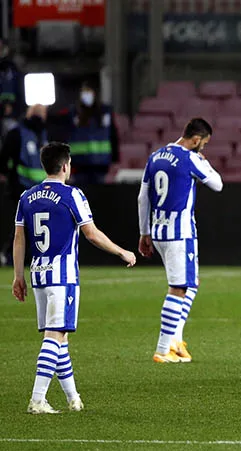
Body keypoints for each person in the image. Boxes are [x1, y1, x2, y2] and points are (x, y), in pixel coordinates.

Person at [12, 142, 136, 414]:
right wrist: (122, 251)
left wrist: (18, 276)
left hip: (38, 276)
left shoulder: (27, 197)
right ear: (66, 166)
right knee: (54, 337)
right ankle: (37, 399)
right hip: (62, 276)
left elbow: (19, 238)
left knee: (60, 339)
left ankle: (73, 398)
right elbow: (91, 233)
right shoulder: (72, 195)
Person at [137, 118, 223, 364]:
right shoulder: (191, 158)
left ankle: (176, 339)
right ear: (196, 140)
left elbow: (143, 198)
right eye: (203, 144)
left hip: (159, 230)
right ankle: (163, 349)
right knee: (178, 288)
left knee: (191, 282)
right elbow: (217, 185)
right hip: (179, 232)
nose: (203, 149)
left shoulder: (155, 157)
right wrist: (205, 164)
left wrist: (144, 232)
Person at [0, 104, 49, 264]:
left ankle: (17, 256)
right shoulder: (18, 133)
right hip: (21, 185)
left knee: (27, 225)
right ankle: (10, 254)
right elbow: (3, 160)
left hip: (37, 187)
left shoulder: (41, 134)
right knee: (24, 225)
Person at [67, 81, 119, 185]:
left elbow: (113, 134)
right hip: (79, 164)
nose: (87, 95)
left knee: (98, 195)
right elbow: (65, 136)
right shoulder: (73, 113)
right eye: (84, 92)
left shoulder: (105, 111)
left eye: (89, 92)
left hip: (101, 163)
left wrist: (115, 157)